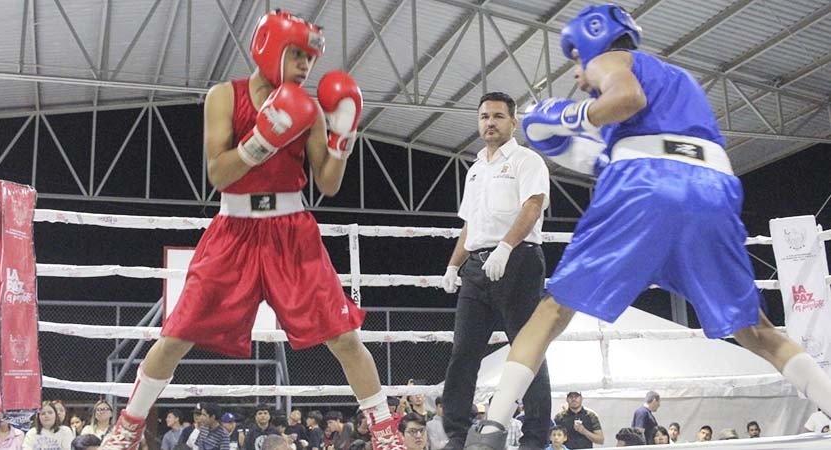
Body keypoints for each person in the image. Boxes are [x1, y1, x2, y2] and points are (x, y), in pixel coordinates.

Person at [463, 4, 831, 449]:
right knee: (755, 330)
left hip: (646, 185)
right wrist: (595, 147)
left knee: (553, 311)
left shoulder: (612, 61)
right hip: (713, 188)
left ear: (591, 44)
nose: (580, 77)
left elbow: (627, 100)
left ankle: (492, 428)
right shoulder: (681, 82)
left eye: (578, 62)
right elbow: (645, 134)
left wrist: (570, 117)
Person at [100, 9, 404, 450]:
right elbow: (220, 174)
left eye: (309, 58)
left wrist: (342, 137)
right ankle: (128, 426)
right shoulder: (224, 97)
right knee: (176, 334)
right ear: (270, 49)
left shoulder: (310, 109)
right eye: (296, 54)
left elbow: (329, 184)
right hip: (234, 230)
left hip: (291, 231)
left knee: (343, 336)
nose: (305, 65)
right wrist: (265, 137)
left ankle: (384, 431)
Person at [439, 90, 552, 450]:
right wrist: (454, 264)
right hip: (476, 266)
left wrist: (506, 246)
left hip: (518, 261)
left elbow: (532, 207)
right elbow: (471, 224)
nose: (490, 122)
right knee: (463, 352)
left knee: (527, 348)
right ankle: (456, 435)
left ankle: (535, 438)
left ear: (512, 122)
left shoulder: (526, 160)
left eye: (498, 116)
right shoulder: (475, 171)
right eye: (484, 116)